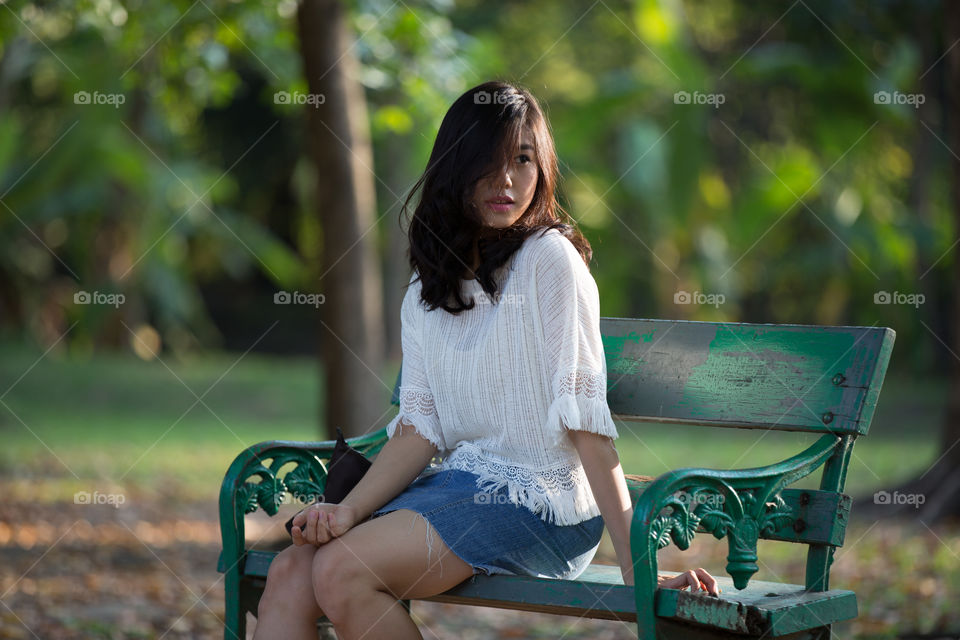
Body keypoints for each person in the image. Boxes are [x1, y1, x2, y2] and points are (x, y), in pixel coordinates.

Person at [254, 80, 720, 640]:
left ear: (541, 167)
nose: (506, 180)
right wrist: (348, 511)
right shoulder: (428, 286)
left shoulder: (550, 261)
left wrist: (635, 571)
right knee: (289, 572)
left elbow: (586, 424)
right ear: (456, 167)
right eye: (489, 162)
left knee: (341, 569)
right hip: (456, 489)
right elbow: (417, 431)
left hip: (543, 506)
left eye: (523, 160)